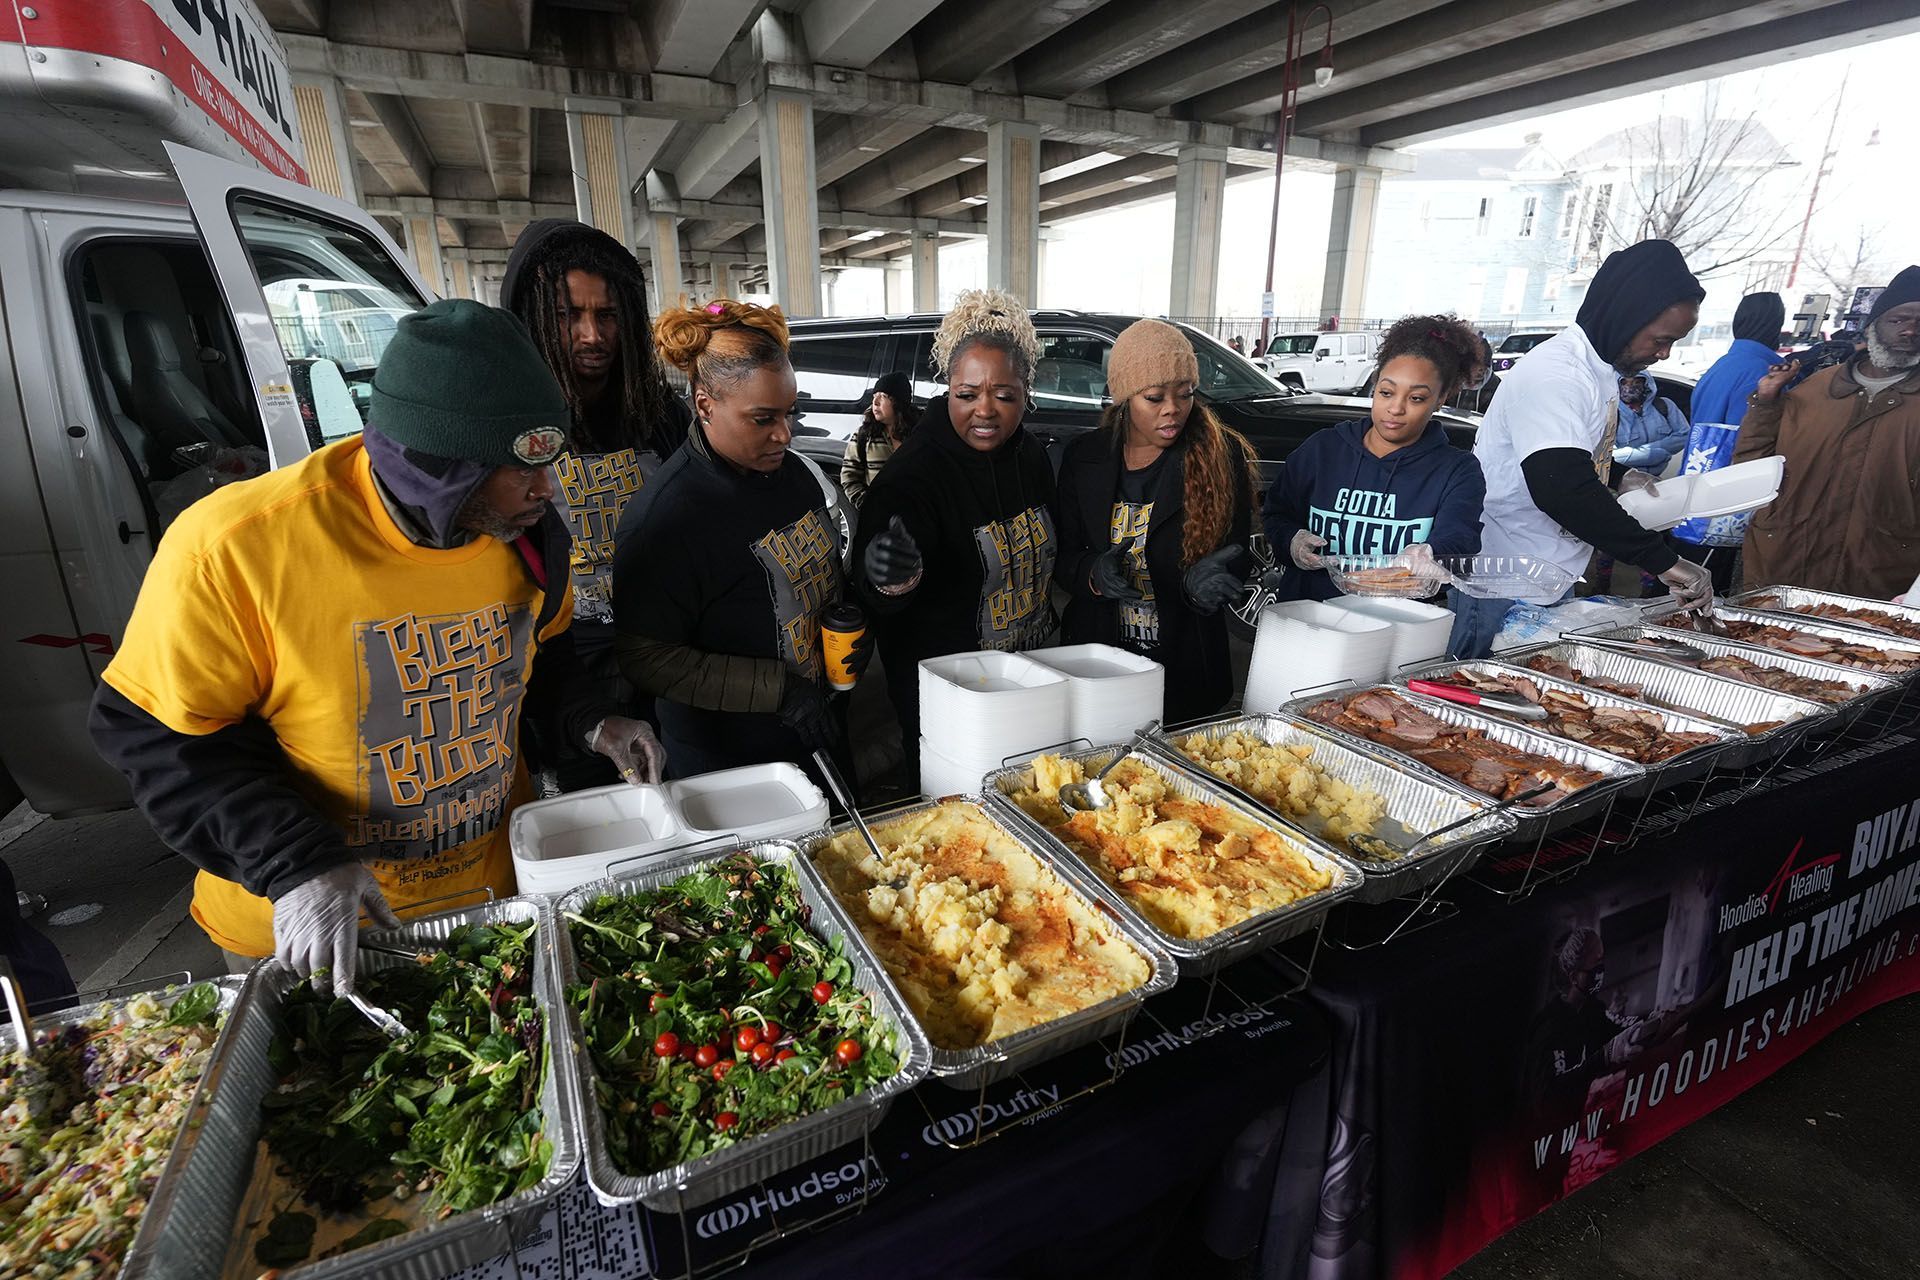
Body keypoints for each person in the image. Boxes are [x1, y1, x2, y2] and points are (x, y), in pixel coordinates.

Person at [87, 301, 664, 994]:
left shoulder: (525, 534)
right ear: (436, 468)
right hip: (312, 930)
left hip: (490, 902)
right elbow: (160, 740)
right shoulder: (237, 548)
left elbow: (544, 655)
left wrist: (592, 720)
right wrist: (295, 862)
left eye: (550, 463)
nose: (547, 488)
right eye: (520, 469)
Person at [612, 301, 865, 780]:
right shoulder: (667, 518)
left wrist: (872, 597)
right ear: (705, 405)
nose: (784, 435)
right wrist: (777, 690)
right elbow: (645, 657)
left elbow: (829, 580)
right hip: (728, 765)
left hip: (818, 734)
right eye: (763, 419)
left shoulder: (799, 477)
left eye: (790, 414)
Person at [1452, 240, 1714, 658]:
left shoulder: (1597, 369)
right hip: (1504, 579)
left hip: (1546, 572)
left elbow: (1563, 452)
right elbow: (1561, 486)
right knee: (1484, 688)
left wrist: (1617, 474)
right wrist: (1664, 561)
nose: (1664, 354)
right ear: (1626, 317)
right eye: (1661, 340)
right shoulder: (1558, 374)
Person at [501, 219, 690, 789]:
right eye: (568, 315)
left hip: (665, 654)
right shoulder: (506, 425)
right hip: (565, 674)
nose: (591, 335)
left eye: (606, 315)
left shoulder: (660, 413)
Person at [852, 289, 1057, 761]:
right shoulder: (912, 476)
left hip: (1031, 678)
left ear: (1026, 393)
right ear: (948, 389)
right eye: (967, 395)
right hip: (951, 698)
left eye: (1004, 395)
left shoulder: (1030, 457)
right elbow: (873, 595)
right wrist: (889, 579)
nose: (985, 410)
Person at [1052, 319, 1258, 723]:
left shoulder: (1219, 455)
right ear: (1125, 398)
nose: (1173, 409)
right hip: (1101, 664)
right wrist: (1093, 574)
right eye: (1154, 397)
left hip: (1184, 665)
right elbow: (1063, 556)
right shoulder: (1083, 457)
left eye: (1185, 394)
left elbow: (1235, 554)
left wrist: (1203, 587)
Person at [1263, 314, 1488, 604]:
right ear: (1375, 384)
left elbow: (1460, 537)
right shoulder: (1323, 451)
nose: (1396, 408)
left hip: (1397, 623)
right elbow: (1276, 514)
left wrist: (1432, 554)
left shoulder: (1457, 471)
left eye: (1416, 398)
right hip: (1308, 616)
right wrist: (1291, 541)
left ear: (1441, 398)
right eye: (1386, 392)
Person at [1735, 266, 1920, 600]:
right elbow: (1751, 467)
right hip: (1783, 567)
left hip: (1878, 583)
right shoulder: (1814, 388)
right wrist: (1766, 404)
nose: (1910, 331)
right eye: (1898, 319)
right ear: (1873, 325)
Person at [1671, 292, 1785, 592]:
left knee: (1681, 583)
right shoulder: (1764, 374)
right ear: (1777, 324)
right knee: (1702, 591)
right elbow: (1748, 445)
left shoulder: (1722, 365)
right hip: (1725, 502)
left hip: (1695, 495)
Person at [1593, 370, 1690, 596]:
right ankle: (1601, 585)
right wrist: (1649, 453)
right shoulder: (1609, 411)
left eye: (1636, 381)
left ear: (1646, 384)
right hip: (1618, 488)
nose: (1630, 386)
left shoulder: (1663, 407)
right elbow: (1605, 452)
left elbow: (1683, 435)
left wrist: (1649, 451)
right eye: (1625, 382)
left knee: (1652, 536)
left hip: (1655, 485)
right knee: (1611, 537)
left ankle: (1648, 591)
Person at [839, 369, 913, 507]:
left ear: (898, 402)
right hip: (878, 514)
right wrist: (867, 505)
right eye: (874, 396)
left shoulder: (919, 434)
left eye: (883, 396)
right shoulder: (864, 435)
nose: (875, 402)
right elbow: (849, 476)